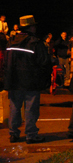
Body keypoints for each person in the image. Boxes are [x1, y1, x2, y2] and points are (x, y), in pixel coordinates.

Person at [4, 15, 52, 144]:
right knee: (31, 109)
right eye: (34, 26)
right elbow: (44, 62)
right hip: (31, 81)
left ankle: (13, 134)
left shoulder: (11, 41)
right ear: (31, 27)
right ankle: (31, 135)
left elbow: (6, 63)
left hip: (13, 81)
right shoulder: (35, 43)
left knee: (14, 107)